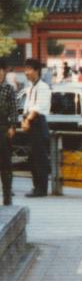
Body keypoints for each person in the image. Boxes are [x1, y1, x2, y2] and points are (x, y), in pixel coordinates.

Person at [21, 58, 51, 198]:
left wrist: (27, 120)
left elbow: (38, 107)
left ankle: (41, 189)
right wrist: (24, 119)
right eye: (25, 69)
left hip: (38, 122)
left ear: (37, 70)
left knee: (40, 158)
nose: (26, 72)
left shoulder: (43, 87)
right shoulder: (30, 87)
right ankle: (36, 186)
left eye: (29, 69)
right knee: (32, 157)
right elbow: (27, 106)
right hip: (31, 122)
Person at [0, 59, 18, 206]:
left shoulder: (9, 89)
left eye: (1, 70)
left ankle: (7, 195)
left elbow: (13, 109)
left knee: (5, 163)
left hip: (3, 127)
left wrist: (13, 126)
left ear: (5, 71)